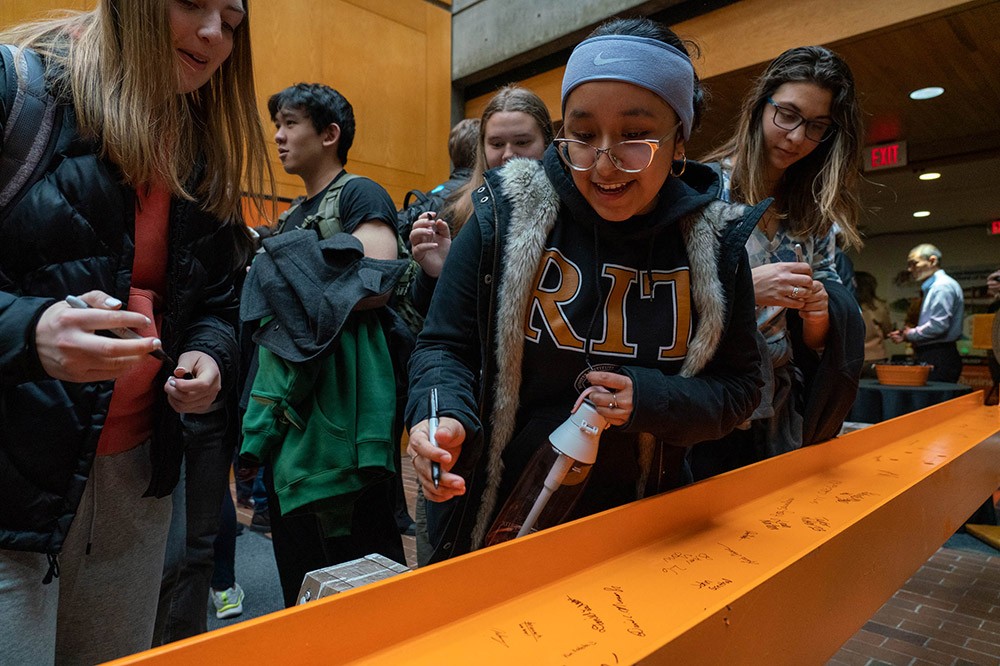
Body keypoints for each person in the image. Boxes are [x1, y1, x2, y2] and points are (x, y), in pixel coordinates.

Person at [404, 17, 764, 564]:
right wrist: (441, 414)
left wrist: (649, 398)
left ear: (680, 140)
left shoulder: (713, 244)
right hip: (499, 514)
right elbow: (444, 345)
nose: (603, 160)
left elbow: (739, 387)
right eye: (583, 133)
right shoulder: (506, 212)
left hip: (642, 525)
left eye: (636, 137)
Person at [0, 0, 273, 663]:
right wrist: (29, 331)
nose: (214, 35)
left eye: (232, 23)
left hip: (136, 481)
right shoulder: (20, 90)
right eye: (191, 5)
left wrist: (208, 352)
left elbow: (215, 294)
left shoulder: (199, 144)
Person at [239, 82, 406, 607]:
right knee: (302, 575)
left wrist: (283, 273)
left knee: (363, 574)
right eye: (277, 125)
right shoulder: (292, 214)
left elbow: (376, 281)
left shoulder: (359, 193)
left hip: (345, 411)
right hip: (294, 409)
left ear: (330, 134)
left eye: (290, 123)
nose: (278, 137)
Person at [691, 46, 866, 479]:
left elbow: (819, 339)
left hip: (781, 397)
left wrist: (819, 314)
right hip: (712, 394)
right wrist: (746, 288)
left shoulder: (812, 216)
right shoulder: (704, 192)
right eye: (786, 114)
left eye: (816, 126)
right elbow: (663, 306)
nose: (796, 137)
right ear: (759, 106)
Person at [408, 86, 554, 313]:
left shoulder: (571, 208)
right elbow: (429, 315)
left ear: (546, 143)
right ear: (482, 147)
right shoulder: (457, 211)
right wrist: (436, 273)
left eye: (522, 142)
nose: (508, 154)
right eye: (496, 144)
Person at [888, 244, 965, 382]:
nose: (910, 269)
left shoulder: (941, 287)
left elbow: (938, 326)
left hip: (939, 355)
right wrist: (908, 335)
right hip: (937, 353)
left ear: (932, 261)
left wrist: (910, 334)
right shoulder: (937, 286)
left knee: (935, 401)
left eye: (914, 263)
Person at [855, 271, 891, 377]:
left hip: (853, 358)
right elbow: (887, 330)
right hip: (876, 357)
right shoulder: (878, 306)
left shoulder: (849, 305)